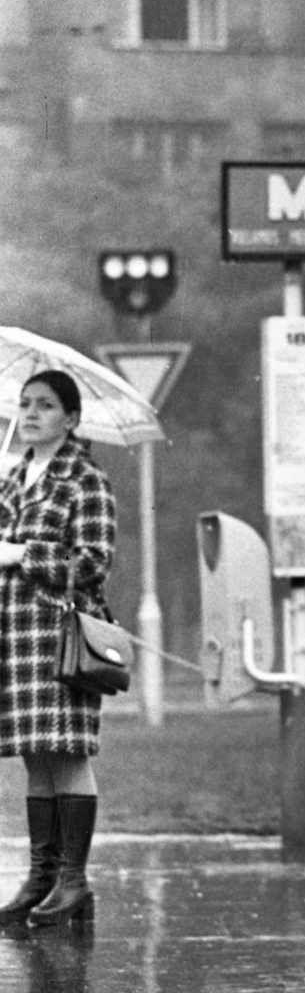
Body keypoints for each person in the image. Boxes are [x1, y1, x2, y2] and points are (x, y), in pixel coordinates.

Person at [0, 371, 117, 928]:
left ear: (70, 419)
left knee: (67, 755)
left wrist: (22, 554)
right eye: (24, 404)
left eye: (45, 405)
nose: (30, 414)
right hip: (16, 640)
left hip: (62, 637)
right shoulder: (11, 478)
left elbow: (92, 563)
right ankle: (42, 878)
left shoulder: (85, 481)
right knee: (36, 760)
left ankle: (74, 881)